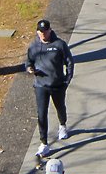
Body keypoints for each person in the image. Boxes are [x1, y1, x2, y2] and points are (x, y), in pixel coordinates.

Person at [25, 20, 76, 159]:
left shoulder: (59, 45)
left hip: (57, 84)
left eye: (45, 31)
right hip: (41, 85)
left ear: (50, 30)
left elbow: (69, 62)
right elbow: (28, 62)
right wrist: (30, 69)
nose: (43, 34)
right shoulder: (34, 46)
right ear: (37, 32)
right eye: (41, 31)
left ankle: (62, 125)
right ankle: (44, 143)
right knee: (41, 114)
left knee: (60, 107)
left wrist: (67, 80)